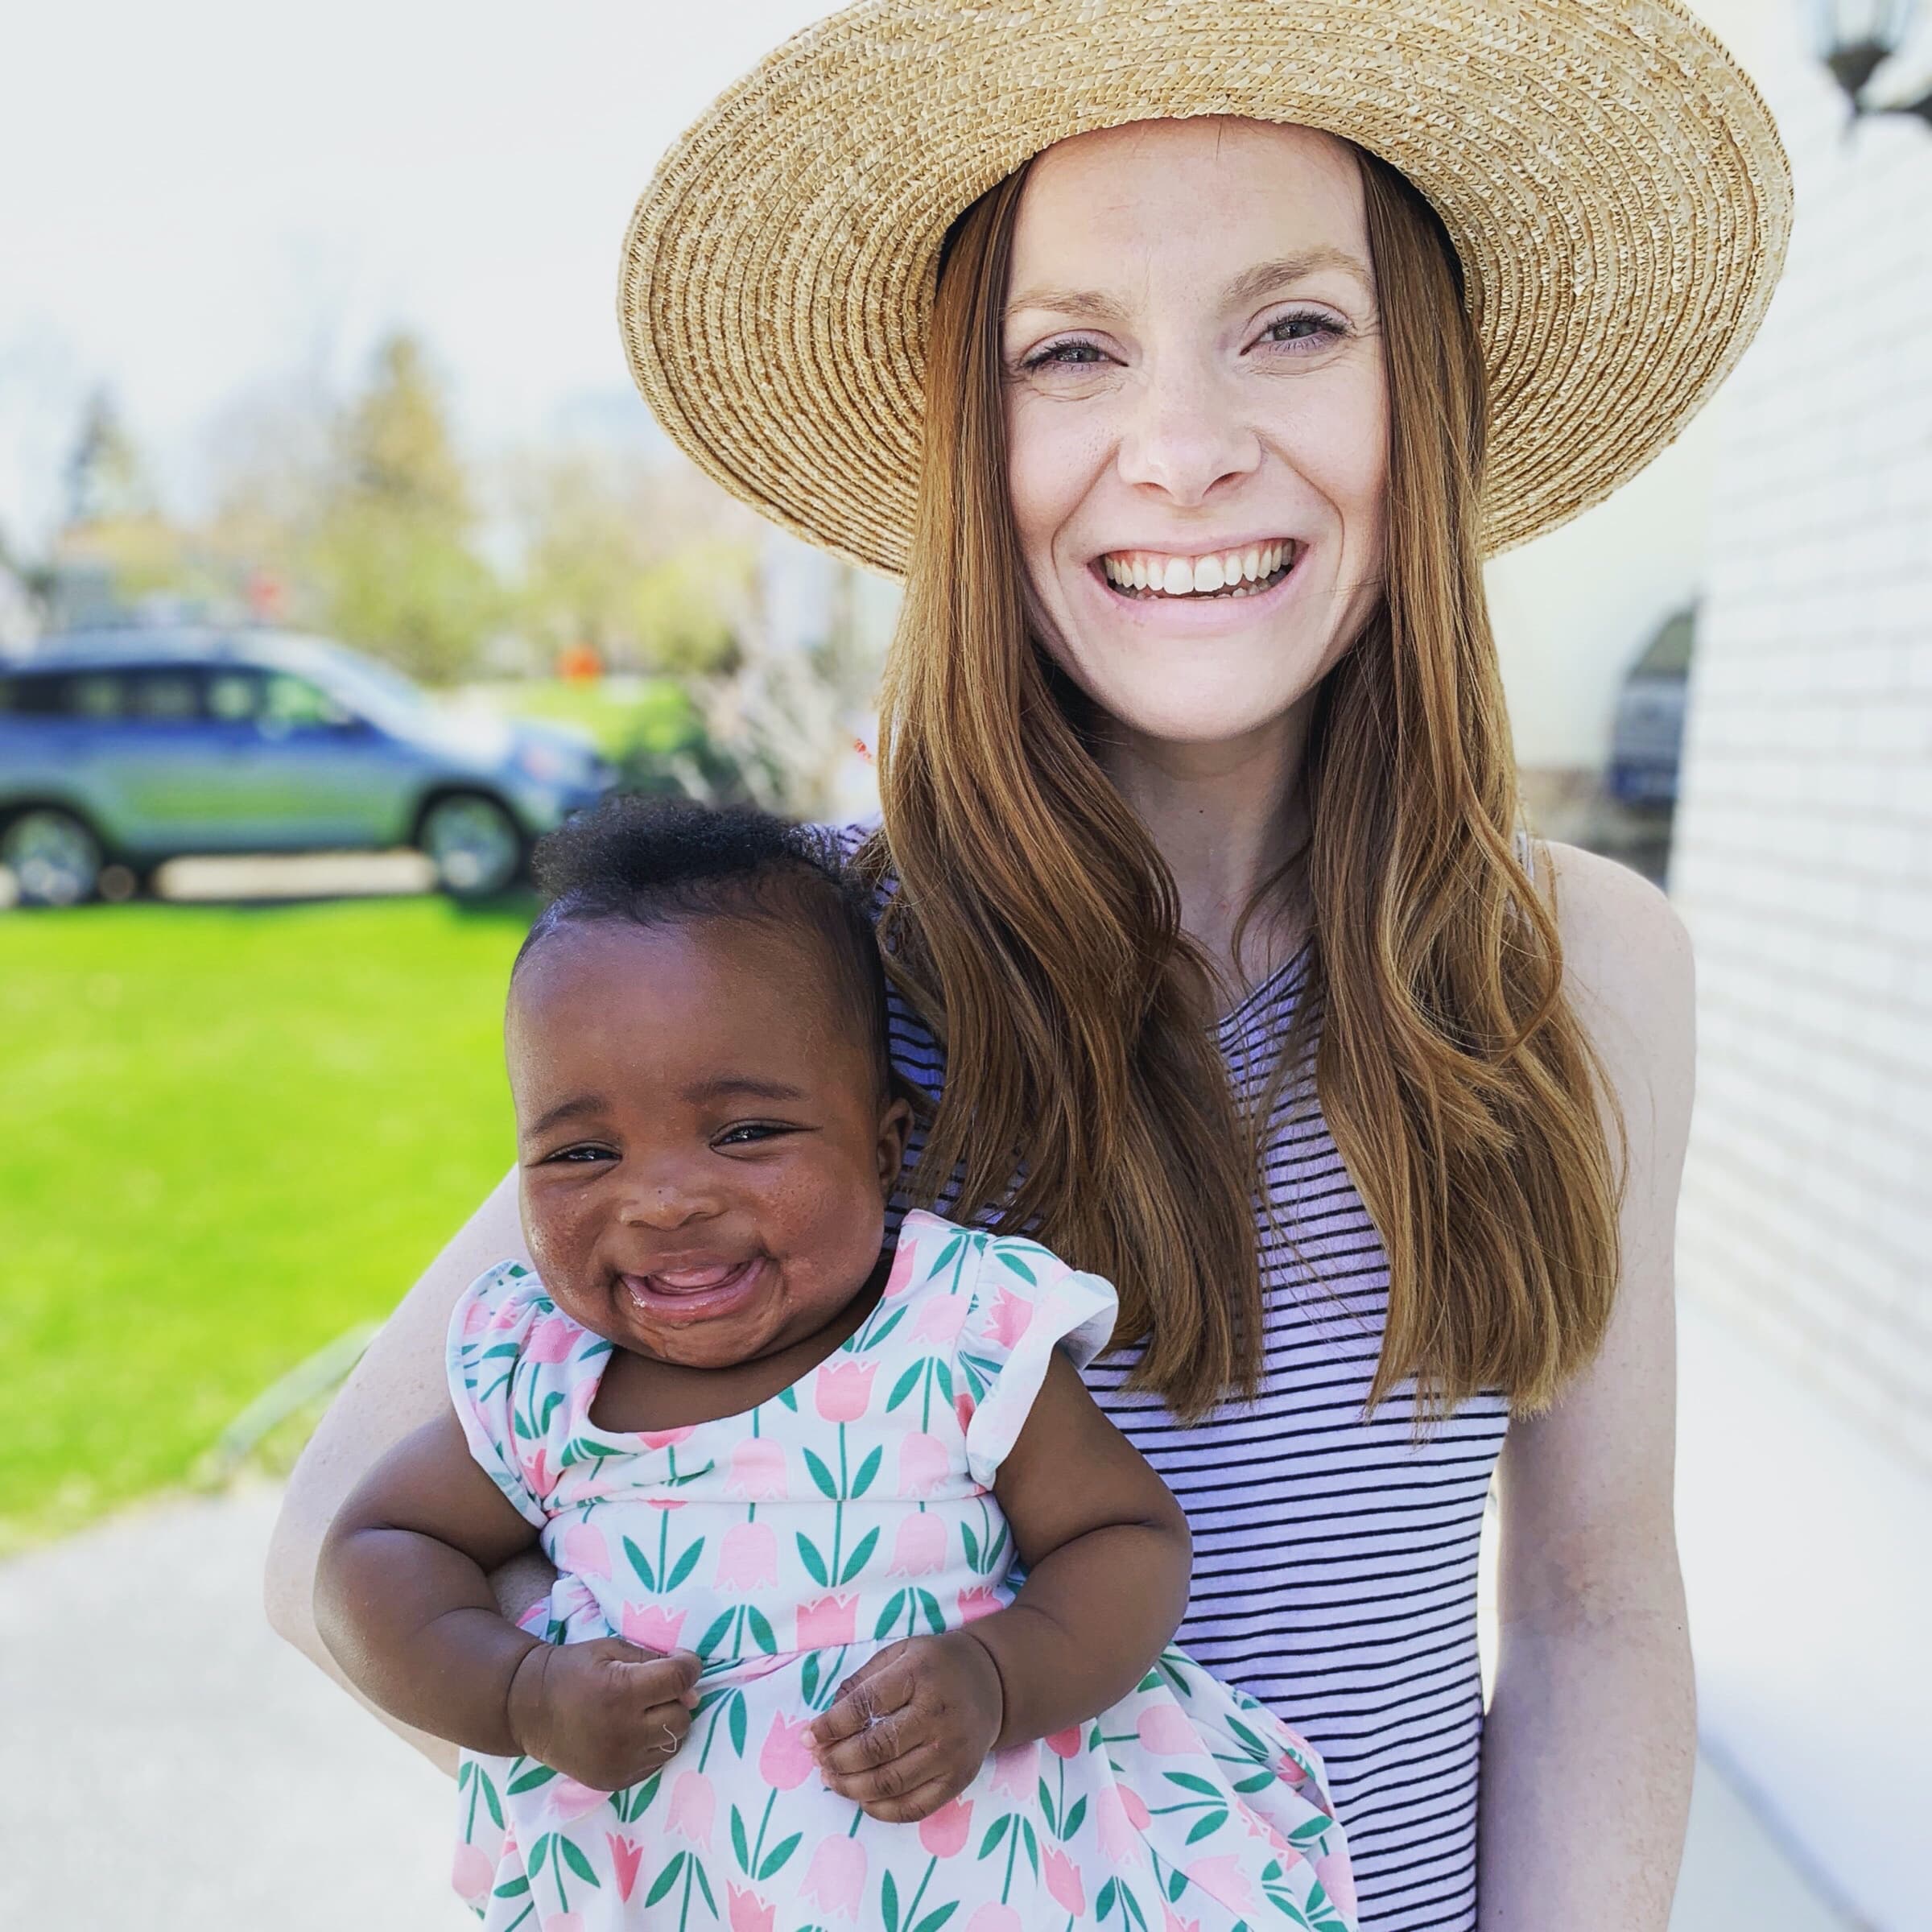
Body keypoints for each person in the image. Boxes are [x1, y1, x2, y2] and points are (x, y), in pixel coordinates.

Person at [266, 5, 1793, 1928]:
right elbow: (337, 1549)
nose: (1182, 453)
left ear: (1429, 389)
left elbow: (1587, 1606)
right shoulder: (795, 969)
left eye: (1297, 327)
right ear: (968, 443)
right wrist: (727, 1841)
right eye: (1070, 353)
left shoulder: (1585, 969)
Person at [316, 796, 1356, 1930]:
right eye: (582, 1151)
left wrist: (999, 1678)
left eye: (746, 1133)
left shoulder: (950, 1331)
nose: (663, 1198)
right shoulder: (549, 1382)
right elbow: (371, 1555)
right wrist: (520, 1695)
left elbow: (1127, 1541)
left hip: (1002, 1885)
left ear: (884, 1146)